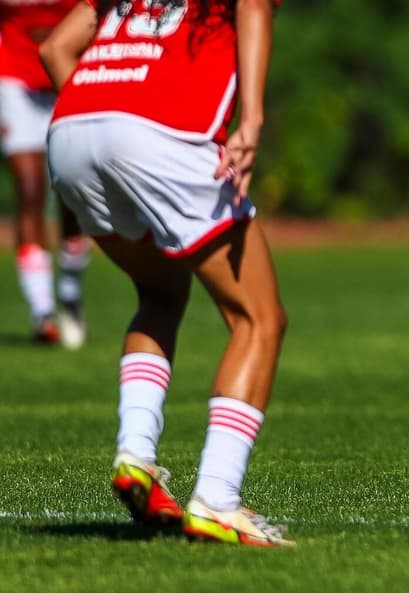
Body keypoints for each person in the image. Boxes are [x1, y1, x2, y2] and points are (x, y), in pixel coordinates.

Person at [40, 0, 292, 544]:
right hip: (157, 128)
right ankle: (218, 501)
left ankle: (136, 458)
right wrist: (250, 121)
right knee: (259, 319)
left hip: (72, 128)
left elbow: (54, 48)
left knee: (159, 293)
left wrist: (103, 124)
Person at [0, 0, 90, 347]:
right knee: (30, 189)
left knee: (73, 191)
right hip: (16, 81)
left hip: (67, 77)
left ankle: (70, 292)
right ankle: (43, 314)